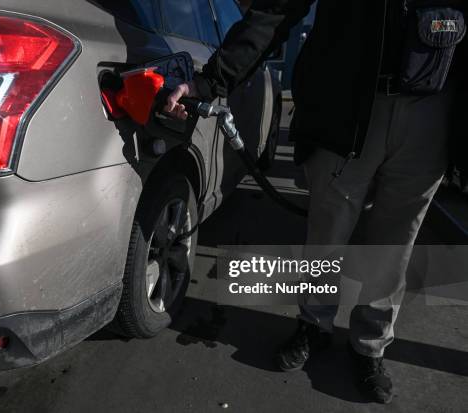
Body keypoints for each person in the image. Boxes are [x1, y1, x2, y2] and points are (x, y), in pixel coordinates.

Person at [165, 0, 466, 404]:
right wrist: (212, 80)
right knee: (328, 231)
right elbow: (275, 11)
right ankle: (314, 324)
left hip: (432, 111)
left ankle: (369, 346)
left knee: (395, 245)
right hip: (349, 110)